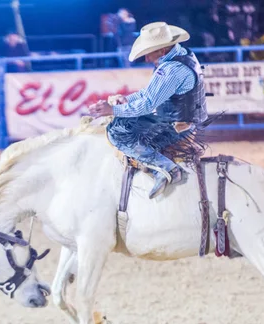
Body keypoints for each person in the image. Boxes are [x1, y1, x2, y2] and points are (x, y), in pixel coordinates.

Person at [89, 22, 208, 199]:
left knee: (116, 132)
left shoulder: (171, 70)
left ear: (162, 49)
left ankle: (166, 169)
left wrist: (114, 110)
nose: (146, 59)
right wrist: (126, 101)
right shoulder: (182, 56)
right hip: (180, 119)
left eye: (148, 53)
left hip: (177, 126)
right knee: (124, 119)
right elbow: (148, 95)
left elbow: (148, 103)